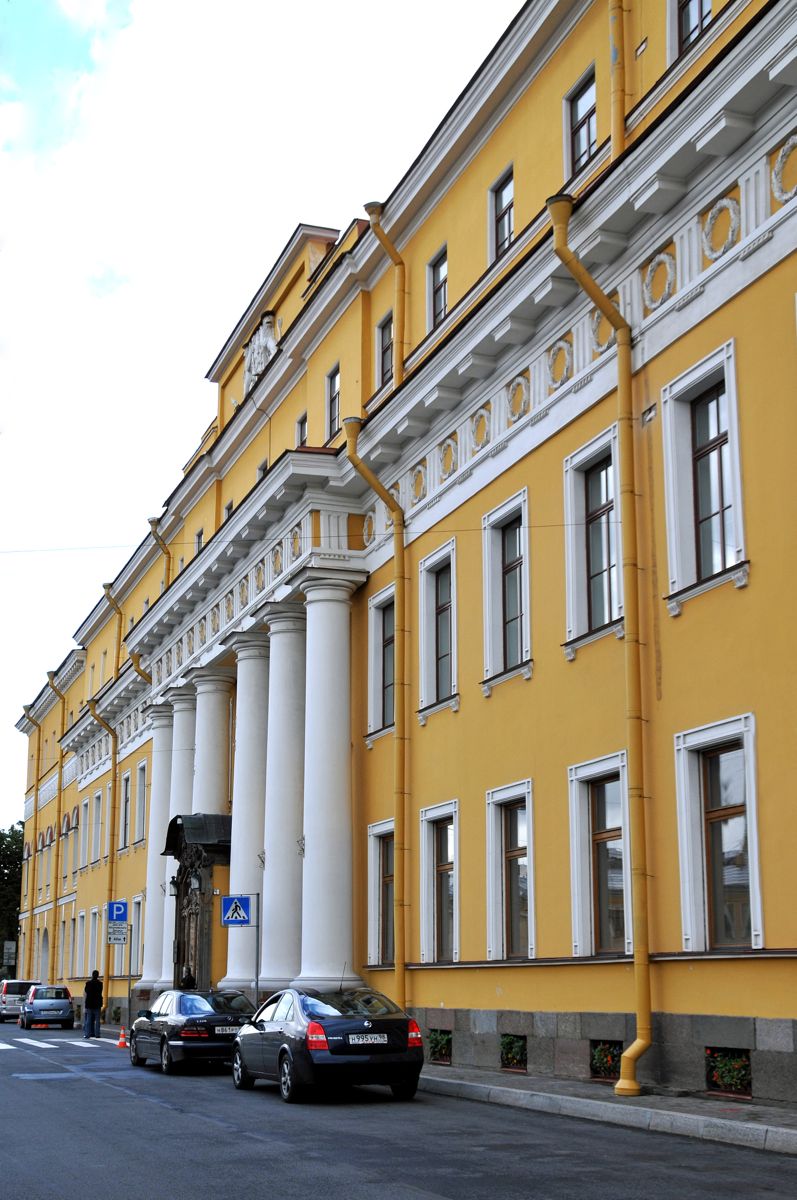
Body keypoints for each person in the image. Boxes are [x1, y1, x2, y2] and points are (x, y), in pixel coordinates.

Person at [83, 969, 102, 1039]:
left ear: (92, 975)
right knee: (97, 1020)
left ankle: (87, 1034)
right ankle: (97, 1034)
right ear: (98, 976)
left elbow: (86, 991)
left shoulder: (88, 983)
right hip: (97, 1004)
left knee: (88, 1020)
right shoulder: (100, 984)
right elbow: (100, 992)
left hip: (89, 1004)